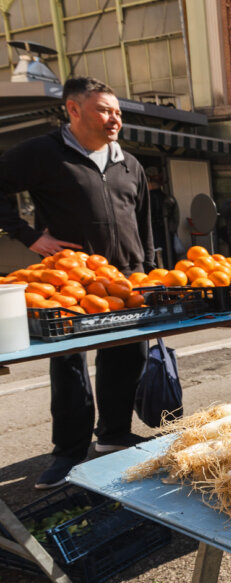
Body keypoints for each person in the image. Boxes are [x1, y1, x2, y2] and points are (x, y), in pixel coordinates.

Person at [0, 76, 152, 489]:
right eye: (104, 110)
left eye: (118, 112)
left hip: (125, 279)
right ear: (73, 109)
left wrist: (148, 269)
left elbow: (143, 222)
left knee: (129, 356)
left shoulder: (129, 163)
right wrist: (30, 237)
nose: (115, 119)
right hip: (71, 281)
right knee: (69, 364)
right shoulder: (43, 153)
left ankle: (114, 435)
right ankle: (68, 452)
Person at [146, 167, 182, 268]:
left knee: (155, 261)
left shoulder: (146, 200)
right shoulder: (168, 198)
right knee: (168, 259)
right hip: (167, 235)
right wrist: (172, 230)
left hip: (152, 235)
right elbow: (175, 219)